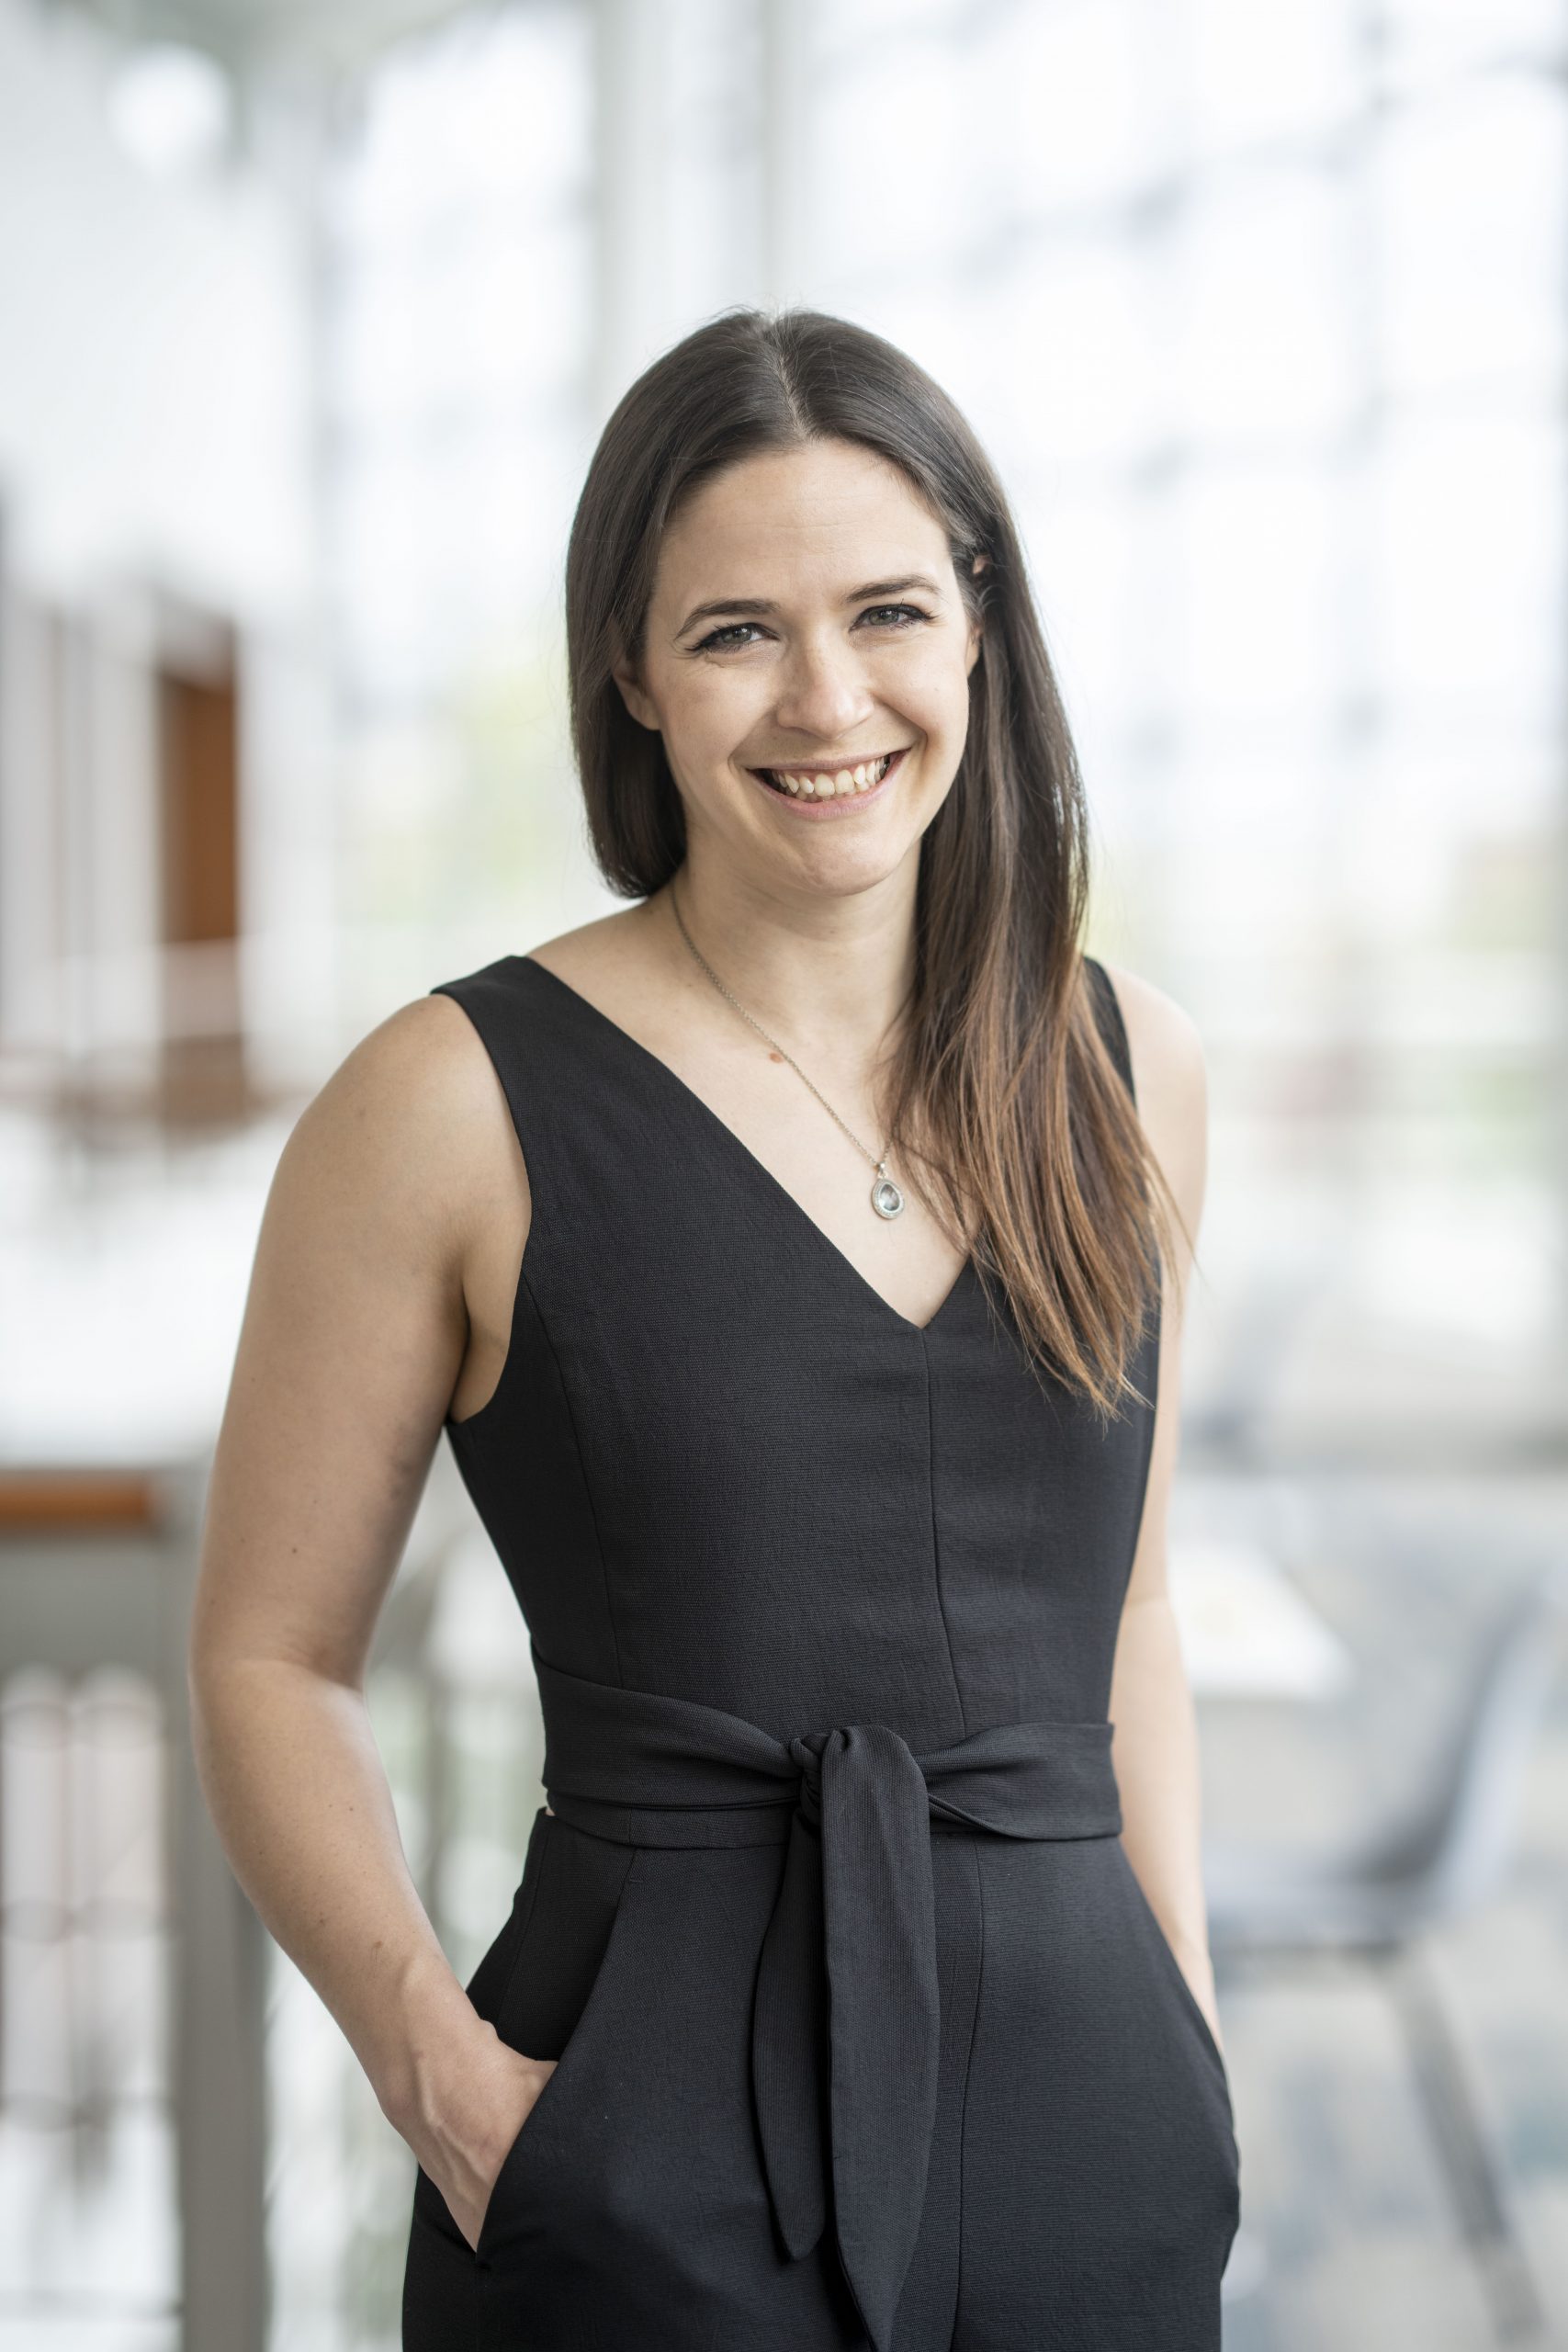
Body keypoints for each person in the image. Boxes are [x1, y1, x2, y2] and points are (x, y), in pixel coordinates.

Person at [189, 306, 1239, 2352]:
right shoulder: (446, 1099)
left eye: (887, 611)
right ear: (632, 672)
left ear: (978, 634)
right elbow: (264, 1653)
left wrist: (1184, 2038)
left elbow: (1126, 1617)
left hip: (1088, 2132)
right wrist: (439, 2076)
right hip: (635, 2145)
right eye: (737, 629)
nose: (826, 696)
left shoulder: (1133, 1070)